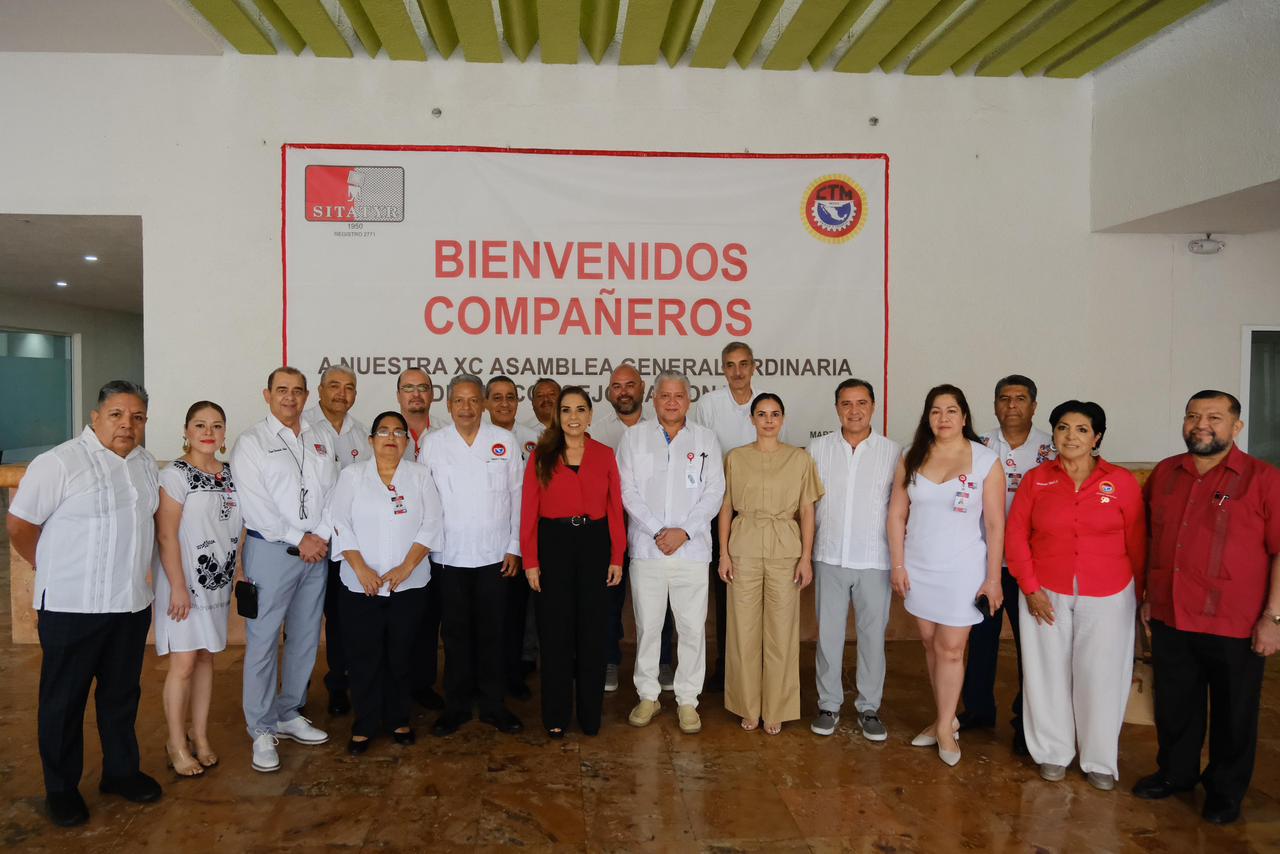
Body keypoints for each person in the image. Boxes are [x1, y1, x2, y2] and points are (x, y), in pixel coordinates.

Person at [7, 380, 162, 827]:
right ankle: (61, 789)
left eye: (137, 417)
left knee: (121, 695)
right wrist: (47, 565)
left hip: (130, 605)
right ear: (95, 418)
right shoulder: (59, 462)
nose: (127, 424)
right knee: (64, 701)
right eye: (117, 414)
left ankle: (121, 772)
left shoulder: (145, 464)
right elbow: (19, 525)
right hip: (72, 607)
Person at [1132, 390, 1280, 825]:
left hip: (1236, 620)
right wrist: (1148, 596)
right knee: (1175, 703)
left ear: (1236, 426)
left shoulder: (1264, 479)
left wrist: (1273, 617)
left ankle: (1225, 791)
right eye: (1193, 416)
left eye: (1214, 417)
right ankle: (1175, 773)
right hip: (1172, 612)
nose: (1201, 425)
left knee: (1235, 712)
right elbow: (1151, 538)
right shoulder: (1166, 473)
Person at [1005, 400, 1145, 790]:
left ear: (1096, 437)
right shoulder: (1037, 480)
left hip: (1109, 592)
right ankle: (1052, 752)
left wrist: (1140, 597)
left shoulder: (1121, 482)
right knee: (1045, 672)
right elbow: (1016, 536)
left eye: (1082, 429)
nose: (1071, 436)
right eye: (1063, 428)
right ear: (1053, 434)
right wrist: (1030, 588)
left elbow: (1138, 540)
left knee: (1101, 674)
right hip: (1045, 590)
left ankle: (1099, 758)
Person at [887, 384, 1004, 767]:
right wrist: (899, 564)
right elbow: (897, 514)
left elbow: (995, 523)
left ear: (964, 416)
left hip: (963, 569)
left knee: (952, 648)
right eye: (935, 411)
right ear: (927, 417)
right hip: (918, 566)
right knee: (929, 643)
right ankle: (946, 718)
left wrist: (993, 578)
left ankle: (942, 730)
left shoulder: (985, 460)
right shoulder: (912, 455)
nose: (943, 418)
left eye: (951, 410)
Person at [230, 366, 338, 772]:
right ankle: (260, 728)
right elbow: (256, 505)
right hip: (271, 551)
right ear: (267, 394)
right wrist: (300, 538)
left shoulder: (320, 436)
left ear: (306, 396)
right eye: (281, 390)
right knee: (262, 642)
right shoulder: (251, 442)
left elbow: (335, 492)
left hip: (316, 554)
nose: (289, 397)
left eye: (296, 391)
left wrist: (320, 535)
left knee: (305, 637)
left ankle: (289, 711)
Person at [328, 411, 443, 755]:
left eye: (398, 432)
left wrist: (407, 567)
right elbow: (339, 522)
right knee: (364, 655)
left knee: (401, 654)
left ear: (407, 441)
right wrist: (361, 568)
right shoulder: (352, 476)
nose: (391, 437)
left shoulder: (420, 475)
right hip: (360, 584)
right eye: (383, 431)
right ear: (371, 440)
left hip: (408, 584)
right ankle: (365, 723)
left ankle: (398, 719)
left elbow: (432, 522)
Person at [618, 370, 725, 735]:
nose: (672, 401)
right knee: (648, 627)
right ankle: (647, 695)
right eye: (665, 395)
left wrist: (684, 532)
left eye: (679, 395)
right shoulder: (634, 438)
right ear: (654, 399)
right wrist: (657, 530)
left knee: (692, 629)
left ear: (688, 401)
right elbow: (627, 491)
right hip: (648, 550)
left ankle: (688, 700)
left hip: (691, 552)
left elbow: (714, 491)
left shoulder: (706, 439)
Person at [419, 374, 524, 737]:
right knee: (455, 634)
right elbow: (424, 498)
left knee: (494, 633)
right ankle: (457, 706)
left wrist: (514, 546)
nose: (467, 407)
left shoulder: (503, 441)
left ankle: (494, 705)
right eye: (459, 401)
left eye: (473, 400)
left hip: (495, 556)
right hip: (448, 557)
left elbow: (518, 496)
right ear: (448, 406)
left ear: (484, 404)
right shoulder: (433, 444)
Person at [520, 387, 625, 736]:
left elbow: (614, 508)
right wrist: (530, 560)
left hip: (595, 543)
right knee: (555, 633)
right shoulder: (541, 456)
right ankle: (556, 715)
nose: (574, 417)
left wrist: (617, 555)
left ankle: (591, 715)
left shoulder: (604, 454)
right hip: (554, 544)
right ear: (558, 416)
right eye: (566, 410)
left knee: (593, 632)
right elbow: (529, 510)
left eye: (581, 409)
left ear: (591, 416)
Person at [959, 375, 1054, 754]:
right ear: (995, 405)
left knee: (1032, 648)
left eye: (1020, 398)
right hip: (985, 564)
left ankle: (1025, 721)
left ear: (1034, 406)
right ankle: (978, 709)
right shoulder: (977, 444)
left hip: (1031, 568)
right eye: (1004, 398)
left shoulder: (1052, 447)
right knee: (981, 641)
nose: (1012, 405)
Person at [718, 393, 822, 735]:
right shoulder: (736, 458)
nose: (768, 420)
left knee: (781, 632)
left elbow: (807, 510)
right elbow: (726, 507)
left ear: (783, 418)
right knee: (743, 631)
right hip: (744, 546)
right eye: (761, 414)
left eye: (774, 414)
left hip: (785, 549)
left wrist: (806, 557)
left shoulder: (799, 459)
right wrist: (724, 554)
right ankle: (747, 706)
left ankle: (776, 708)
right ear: (751, 419)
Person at [807, 379, 901, 741]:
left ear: (873, 407)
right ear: (837, 409)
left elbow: (900, 510)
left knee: (872, 637)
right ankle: (829, 705)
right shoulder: (817, 449)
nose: (854, 410)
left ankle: (869, 707)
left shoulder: (893, 453)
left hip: (875, 558)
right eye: (846, 404)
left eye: (861, 403)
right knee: (828, 636)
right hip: (829, 555)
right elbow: (807, 506)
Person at [153, 401, 242, 777]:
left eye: (216, 425)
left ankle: (200, 735)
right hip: (183, 582)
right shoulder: (175, 475)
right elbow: (166, 534)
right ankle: (176, 742)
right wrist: (177, 587)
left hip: (217, 583)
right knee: (184, 662)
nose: (209, 432)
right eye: (200, 425)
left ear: (224, 434)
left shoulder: (232, 474)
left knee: (207, 656)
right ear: (186, 431)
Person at [592, 365, 675, 695]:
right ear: (609, 392)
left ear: (643, 389)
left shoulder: (662, 429)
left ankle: (663, 661)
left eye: (630, 385)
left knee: (660, 601)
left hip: (651, 531)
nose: (623, 391)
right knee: (608, 600)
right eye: (617, 386)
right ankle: (609, 659)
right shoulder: (596, 430)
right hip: (607, 530)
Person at [303, 365, 369, 718]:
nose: (341, 393)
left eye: (349, 387)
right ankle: (298, 694)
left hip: (349, 545)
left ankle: (342, 684)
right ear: (320, 390)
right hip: (313, 543)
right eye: (334, 386)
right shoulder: (303, 427)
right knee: (306, 619)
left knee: (344, 618)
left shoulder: (361, 434)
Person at [486, 374, 542, 701]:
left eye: (510, 397)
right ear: (486, 403)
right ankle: (487, 674)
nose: (504, 403)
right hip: (489, 542)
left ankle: (514, 671)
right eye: (497, 397)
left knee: (518, 611)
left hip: (525, 539)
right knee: (490, 614)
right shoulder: (477, 439)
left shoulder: (534, 439)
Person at [398, 367, 445, 711]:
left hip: (435, 545)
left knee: (429, 619)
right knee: (395, 621)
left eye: (423, 388)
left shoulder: (445, 434)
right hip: (392, 543)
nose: (416, 394)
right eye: (408, 388)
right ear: (399, 395)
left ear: (432, 394)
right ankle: (393, 682)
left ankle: (422, 683)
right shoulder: (383, 432)